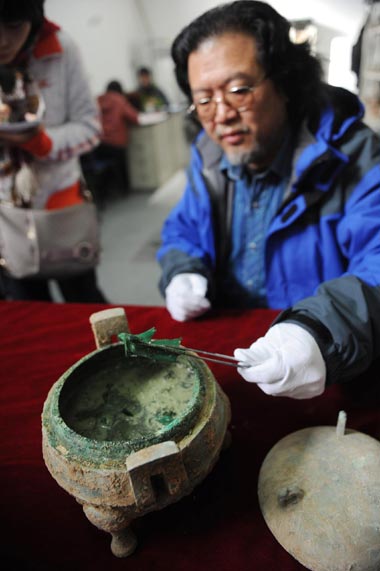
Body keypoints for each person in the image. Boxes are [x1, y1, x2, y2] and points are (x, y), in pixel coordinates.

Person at [157, 1, 380, 399]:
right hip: (234, 353)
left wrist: (318, 331)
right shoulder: (208, 154)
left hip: (322, 369)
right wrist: (182, 269)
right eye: (203, 99)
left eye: (238, 90)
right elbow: (184, 227)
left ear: (285, 83)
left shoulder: (356, 155)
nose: (220, 114)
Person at [0, 0, 107, 303]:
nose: (3, 40)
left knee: (84, 300)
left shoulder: (59, 48)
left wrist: (42, 143)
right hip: (6, 213)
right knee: (26, 310)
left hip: (61, 200)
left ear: (33, 20)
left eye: (13, 26)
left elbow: (90, 128)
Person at [81, 80, 139, 205]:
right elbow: (134, 117)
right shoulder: (119, 100)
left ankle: (108, 189)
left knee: (104, 163)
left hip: (98, 145)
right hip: (116, 144)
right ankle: (124, 189)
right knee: (122, 160)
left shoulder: (97, 100)